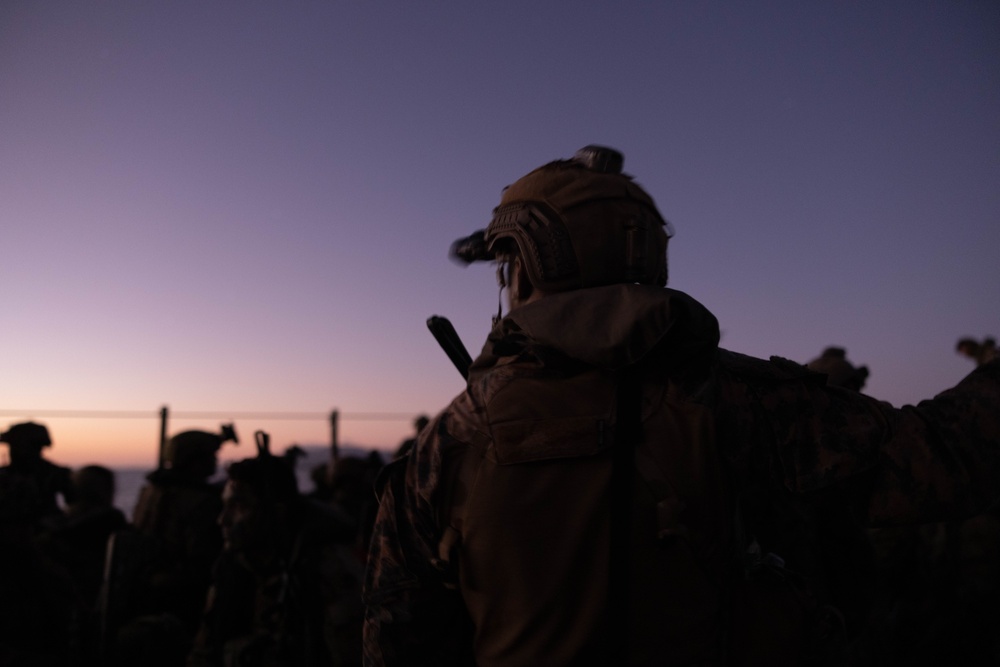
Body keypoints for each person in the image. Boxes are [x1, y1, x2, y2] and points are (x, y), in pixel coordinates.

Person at [362, 145, 1000, 666]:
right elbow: (949, 457)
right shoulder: (738, 402)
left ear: (527, 270)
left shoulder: (445, 448)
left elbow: (400, 641)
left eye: (506, 270)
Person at [188, 434, 364, 666]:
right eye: (225, 506)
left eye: (239, 506)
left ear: (277, 513)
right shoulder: (233, 564)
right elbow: (206, 647)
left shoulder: (325, 569)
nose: (223, 520)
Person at [0, 421, 73, 531]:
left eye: (16, 445)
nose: (12, 451)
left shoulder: (55, 474)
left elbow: (77, 506)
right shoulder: (4, 474)